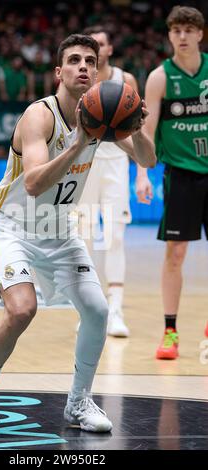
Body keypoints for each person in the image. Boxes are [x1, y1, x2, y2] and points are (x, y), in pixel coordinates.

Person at [0, 34, 156, 438]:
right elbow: (32, 183)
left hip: (60, 231)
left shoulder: (103, 116)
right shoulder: (40, 116)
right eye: (75, 60)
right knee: (21, 309)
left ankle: (78, 401)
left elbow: (149, 159)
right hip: (12, 227)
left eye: (90, 61)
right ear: (59, 72)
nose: (84, 66)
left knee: (98, 313)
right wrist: (80, 143)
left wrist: (136, 127)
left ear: (98, 72)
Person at [79, 25, 153, 337]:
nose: (95, 49)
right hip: (84, 163)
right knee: (82, 239)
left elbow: (139, 131)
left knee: (115, 237)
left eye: (100, 44)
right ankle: (88, 311)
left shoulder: (126, 81)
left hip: (115, 165)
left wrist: (143, 174)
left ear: (109, 49)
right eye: (90, 45)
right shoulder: (80, 79)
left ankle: (116, 310)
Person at [143, 6, 208, 359]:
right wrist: (141, 173)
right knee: (176, 253)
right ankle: (170, 331)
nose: (182, 36)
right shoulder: (160, 78)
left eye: (189, 30)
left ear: (200, 33)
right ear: (169, 35)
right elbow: (147, 131)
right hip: (180, 174)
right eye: (176, 30)